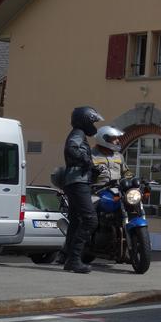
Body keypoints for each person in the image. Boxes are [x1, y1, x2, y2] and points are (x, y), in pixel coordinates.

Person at [59, 106, 103, 274]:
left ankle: (65, 256)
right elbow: (71, 149)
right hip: (78, 182)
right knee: (90, 220)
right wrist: (87, 161)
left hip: (75, 181)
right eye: (93, 121)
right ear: (85, 121)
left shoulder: (79, 134)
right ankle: (75, 259)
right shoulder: (78, 134)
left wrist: (92, 169)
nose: (94, 125)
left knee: (76, 221)